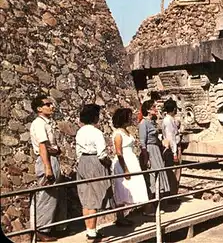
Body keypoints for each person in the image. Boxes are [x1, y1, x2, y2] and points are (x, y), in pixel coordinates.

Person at [29, 94, 67, 242]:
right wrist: (48, 168)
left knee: (55, 194)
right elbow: (43, 146)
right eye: (47, 104)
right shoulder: (39, 124)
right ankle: (41, 230)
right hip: (47, 161)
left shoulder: (47, 123)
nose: (51, 106)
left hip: (52, 159)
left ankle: (52, 227)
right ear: (39, 108)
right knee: (47, 195)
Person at [75, 104, 115, 242]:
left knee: (85, 197)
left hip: (83, 162)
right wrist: (108, 164)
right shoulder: (96, 132)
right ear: (95, 117)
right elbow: (102, 153)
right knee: (93, 197)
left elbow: (78, 151)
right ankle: (92, 233)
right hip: (93, 161)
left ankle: (90, 229)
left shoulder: (80, 131)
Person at [111, 108, 149, 209]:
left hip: (131, 160)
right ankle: (120, 217)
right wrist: (125, 169)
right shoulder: (118, 134)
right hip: (124, 162)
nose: (131, 119)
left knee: (135, 185)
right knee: (122, 188)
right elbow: (119, 152)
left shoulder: (126, 131)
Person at [139, 100, 171, 215]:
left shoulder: (152, 122)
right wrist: (146, 157)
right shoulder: (144, 123)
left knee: (158, 175)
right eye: (153, 107)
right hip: (150, 150)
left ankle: (156, 205)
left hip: (156, 149)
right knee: (152, 176)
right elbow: (143, 142)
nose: (156, 109)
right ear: (148, 110)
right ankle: (149, 208)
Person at [161, 99, 182, 196]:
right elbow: (171, 137)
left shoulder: (169, 120)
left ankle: (173, 193)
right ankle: (172, 194)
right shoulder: (168, 121)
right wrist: (174, 153)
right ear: (174, 109)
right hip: (172, 148)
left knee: (174, 171)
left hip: (173, 146)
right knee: (174, 172)